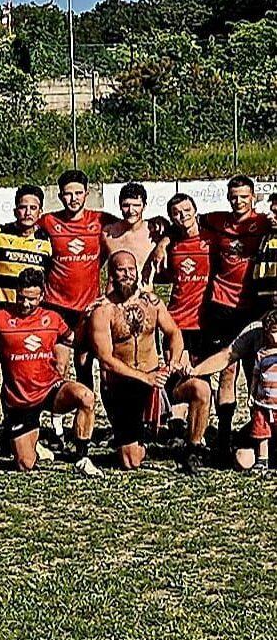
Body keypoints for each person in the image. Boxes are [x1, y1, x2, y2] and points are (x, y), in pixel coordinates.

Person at [0, 269, 102, 476]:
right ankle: (20, 437)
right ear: (16, 292)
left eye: (32, 299)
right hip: (20, 400)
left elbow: (76, 340)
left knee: (86, 397)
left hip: (50, 389)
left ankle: (82, 457)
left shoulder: (52, 318)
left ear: (42, 296)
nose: (26, 304)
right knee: (26, 465)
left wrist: (87, 318)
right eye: (22, 298)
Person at [89, 252, 192, 472]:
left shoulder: (152, 302)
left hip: (155, 377)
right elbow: (106, 359)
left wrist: (172, 362)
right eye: (120, 270)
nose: (127, 274)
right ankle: (136, 436)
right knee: (130, 462)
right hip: (122, 384)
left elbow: (174, 333)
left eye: (131, 269)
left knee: (200, 388)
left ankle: (193, 445)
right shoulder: (103, 311)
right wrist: (144, 377)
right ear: (111, 275)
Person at [201, 175, 268, 461]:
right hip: (222, 304)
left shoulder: (264, 223)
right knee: (227, 370)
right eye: (233, 196)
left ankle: (260, 433)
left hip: (255, 307)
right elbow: (185, 222)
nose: (238, 201)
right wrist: (164, 238)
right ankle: (224, 436)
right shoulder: (217, 221)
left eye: (243, 196)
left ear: (253, 197)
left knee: (259, 372)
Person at [39, 170, 117, 389]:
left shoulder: (101, 220)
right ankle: (57, 419)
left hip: (88, 306)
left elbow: (132, 227)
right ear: (60, 196)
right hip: (56, 304)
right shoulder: (48, 222)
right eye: (67, 194)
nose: (73, 199)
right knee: (58, 364)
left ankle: (86, 414)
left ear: (87, 193)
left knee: (85, 363)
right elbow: (20, 229)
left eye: (78, 193)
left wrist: (161, 228)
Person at [188, 309, 277, 470]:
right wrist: (196, 370)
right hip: (267, 415)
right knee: (243, 459)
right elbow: (227, 355)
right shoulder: (257, 330)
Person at [143, 194, 214, 365]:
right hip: (176, 320)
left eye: (187, 210)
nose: (183, 215)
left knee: (199, 379)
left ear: (195, 211)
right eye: (177, 213)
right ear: (171, 218)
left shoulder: (211, 240)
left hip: (203, 322)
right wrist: (161, 244)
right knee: (174, 374)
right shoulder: (171, 245)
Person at [0, 185, 52, 309]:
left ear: (40, 213)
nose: (28, 213)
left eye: (33, 208)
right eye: (23, 207)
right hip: (1, 310)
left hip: (31, 312)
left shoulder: (47, 240)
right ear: (15, 211)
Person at [100, 183, 163, 271]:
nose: (131, 210)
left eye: (136, 205)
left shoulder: (155, 232)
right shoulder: (108, 233)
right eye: (126, 205)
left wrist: (163, 244)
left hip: (143, 285)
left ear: (144, 206)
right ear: (120, 206)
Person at [253, 192, 277, 308]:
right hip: (264, 306)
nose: (270, 216)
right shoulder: (267, 236)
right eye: (272, 211)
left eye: (276, 212)